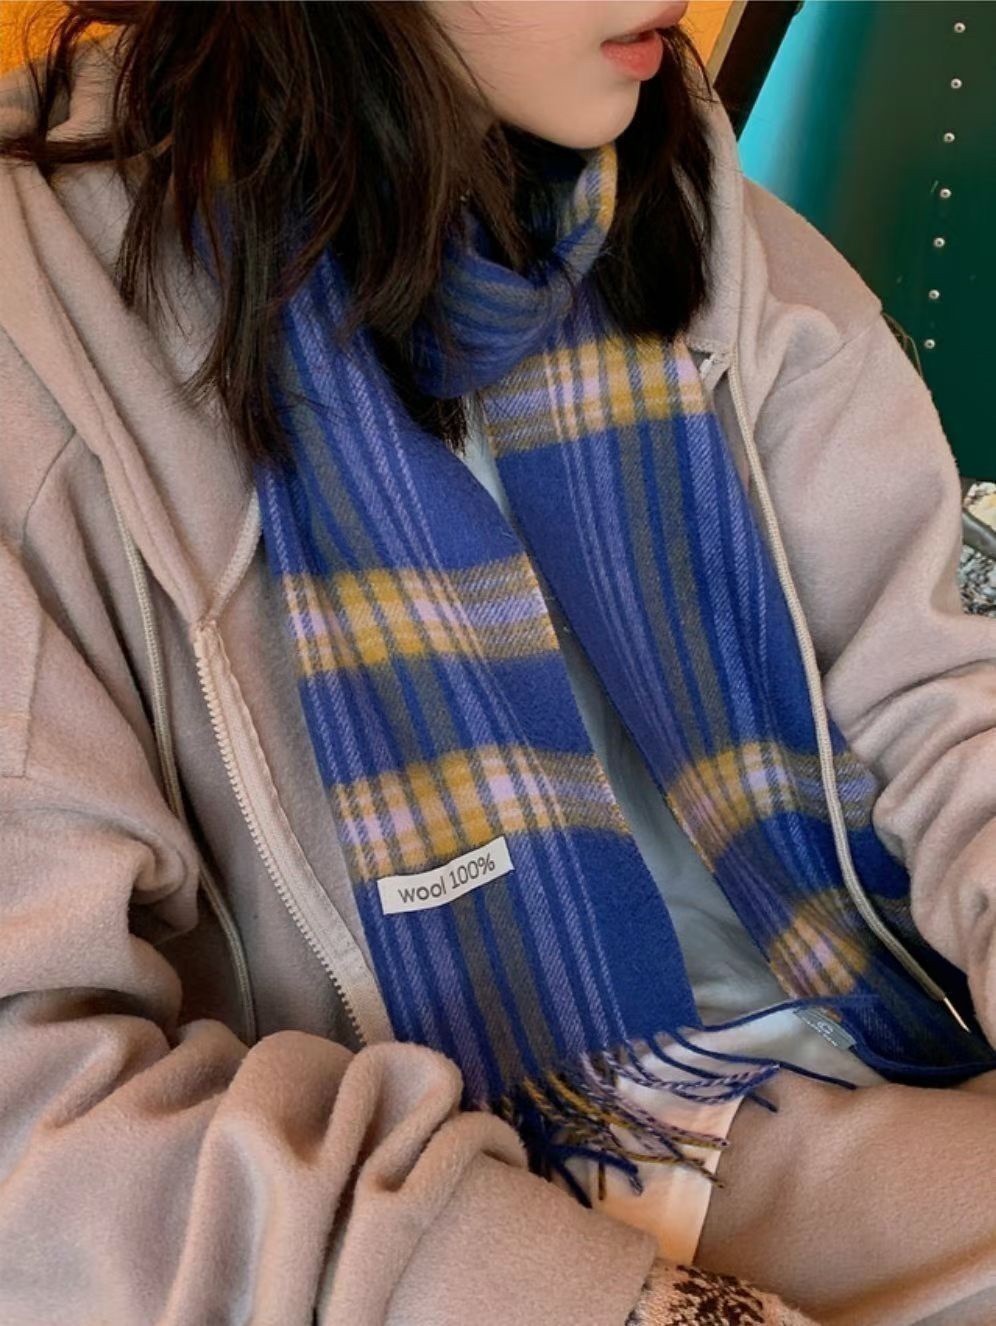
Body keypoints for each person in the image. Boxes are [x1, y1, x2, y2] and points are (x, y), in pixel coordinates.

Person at [1, 2, 995, 1322]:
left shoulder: (717, 239)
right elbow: (38, 1135)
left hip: (882, 1079)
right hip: (439, 1237)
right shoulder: (42, 343)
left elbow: (952, 718)